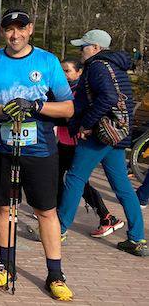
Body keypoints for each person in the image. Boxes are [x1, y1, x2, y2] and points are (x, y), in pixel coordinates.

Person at [0, 8, 75, 301]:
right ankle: (6, 266)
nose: (15, 34)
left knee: (45, 211)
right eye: (9, 29)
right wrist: (2, 109)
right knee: (5, 208)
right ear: (4, 32)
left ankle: (55, 274)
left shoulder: (47, 61)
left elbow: (67, 108)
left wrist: (37, 107)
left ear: (30, 30)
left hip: (39, 151)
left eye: (20, 28)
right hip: (2, 148)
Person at [58, 30, 146, 256]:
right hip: (117, 134)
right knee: (123, 188)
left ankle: (58, 229)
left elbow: (107, 97)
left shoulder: (97, 66)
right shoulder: (115, 66)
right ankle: (137, 239)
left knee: (75, 178)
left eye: (84, 47)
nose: (81, 51)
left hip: (100, 134)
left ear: (96, 48)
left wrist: (86, 124)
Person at [49, 58, 122, 238]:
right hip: (63, 143)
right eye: (62, 71)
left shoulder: (79, 91)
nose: (64, 75)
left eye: (68, 71)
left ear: (79, 72)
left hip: (76, 144)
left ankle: (106, 217)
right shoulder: (62, 89)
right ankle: (56, 214)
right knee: (56, 178)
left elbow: (73, 115)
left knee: (79, 184)